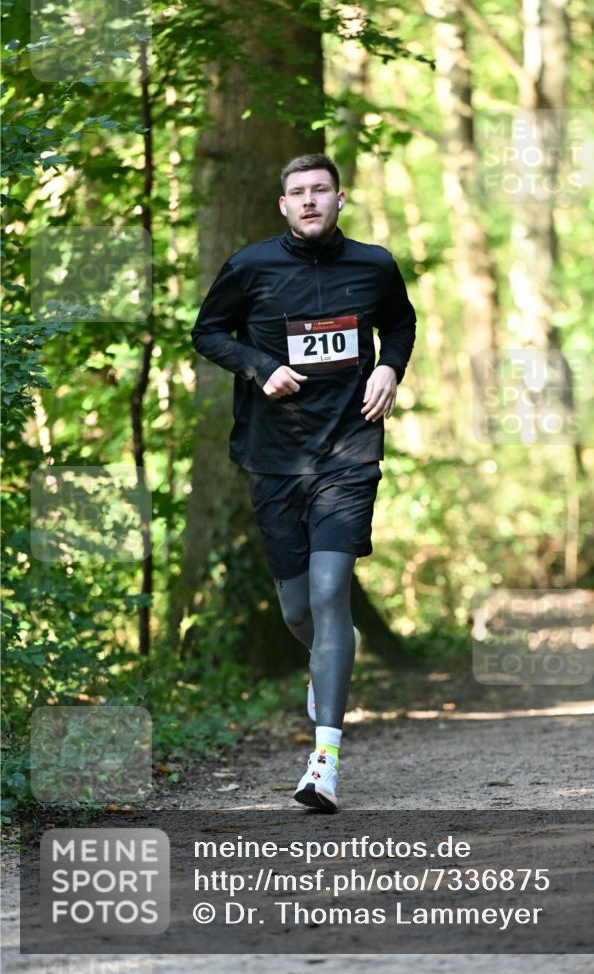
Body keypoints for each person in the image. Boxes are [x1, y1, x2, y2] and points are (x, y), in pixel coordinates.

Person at [191, 153, 416, 811]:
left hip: (348, 449)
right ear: (283, 205)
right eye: (298, 192)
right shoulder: (251, 266)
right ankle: (326, 670)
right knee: (298, 612)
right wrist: (259, 366)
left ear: (339, 199)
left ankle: (324, 761)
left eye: (321, 189)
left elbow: (398, 321)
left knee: (328, 592)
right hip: (273, 457)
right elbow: (206, 332)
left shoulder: (373, 264)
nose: (310, 200)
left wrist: (389, 368)